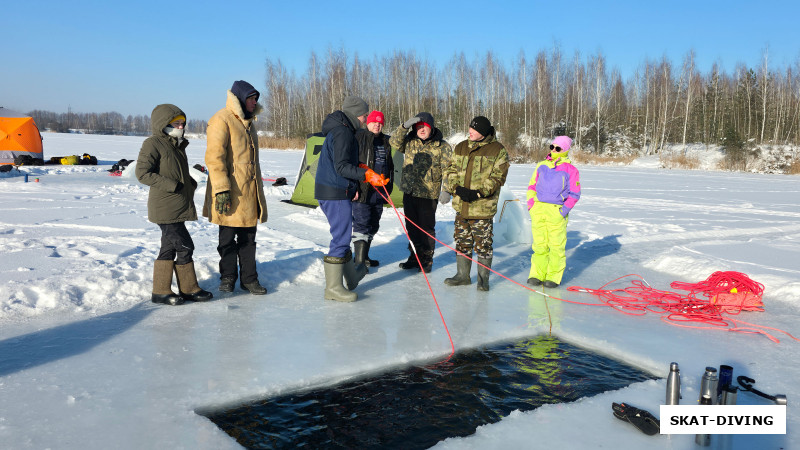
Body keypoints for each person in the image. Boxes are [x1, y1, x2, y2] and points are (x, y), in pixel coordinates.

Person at [136, 104, 213, 305]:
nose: (181, 126)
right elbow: (142, 173)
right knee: (186, 246)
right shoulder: (153, 143)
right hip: (164, 206)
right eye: (176, 123)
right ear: (164, 124)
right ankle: (189, 289)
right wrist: (173, 185)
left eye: (182, 123)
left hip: (176, 205)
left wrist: (189, 183)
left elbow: (175, 172)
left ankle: (160, 291)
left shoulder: (176, 145)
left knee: (168, 249)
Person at [315, 96, 389, 302]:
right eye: (365, 115)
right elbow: (341, 167)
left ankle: (352, 276)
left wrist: (361, 173)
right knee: (340, 238)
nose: (366, 119)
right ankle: (333, 288)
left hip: (338, 189)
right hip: (333, 191)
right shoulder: (343, 132)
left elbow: (346, 162)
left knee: (344, 235)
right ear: (356, 113)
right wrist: (365, 175)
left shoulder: (344, 129)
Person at [203, 80, 269, 295]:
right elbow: (214, 157)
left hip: (249, 192)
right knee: (228, 239)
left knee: (249, 239)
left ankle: (249, 279)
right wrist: (221, 189)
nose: (254, 102)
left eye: (256, 98)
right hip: (230, 192)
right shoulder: (221, 119)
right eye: (251, 98)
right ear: (240, 98)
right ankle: (228, 277)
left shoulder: (249, 123)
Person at [441, 116, 509, 291]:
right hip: (461, 205)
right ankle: (462, 276)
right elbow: (450, 168)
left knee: (483, 244)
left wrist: (478, 193)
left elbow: (498, 177)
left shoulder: (497, 150)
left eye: (475, 130)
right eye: (470, 127)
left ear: (484, 133)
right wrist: (456, 188)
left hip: (482, 207)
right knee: (462, 241)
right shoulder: (461, 146)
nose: (470, 131)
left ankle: (482, 280)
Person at [389, 112, 452, 273]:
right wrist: (404, 126)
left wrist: (447, 190)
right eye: (418, 126)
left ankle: (426, 260)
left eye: (425, 126)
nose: (422, 129)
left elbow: (449, 171)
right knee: (411, 227)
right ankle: (414, 256)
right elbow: (393, 141)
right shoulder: (410, 141)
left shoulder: (442, 146)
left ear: (431, 127)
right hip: (409, 191)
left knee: (426, 228)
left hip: (428, 194)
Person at [526, 136, 581, 288]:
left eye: (557, 148)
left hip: (556, 212)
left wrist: (562, 211)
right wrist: (532, 205)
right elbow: (531, 186)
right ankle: (537, 274)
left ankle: (553, 276)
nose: (553, 150)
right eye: (552, 146)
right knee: (539, 245)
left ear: (565, 150)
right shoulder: (541, 166)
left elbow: (575, 194)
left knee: (556, 246)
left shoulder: (571, 170)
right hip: (538, 210)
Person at [352, 110, 394, 267]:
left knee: (373, 225)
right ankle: (359, 262)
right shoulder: (359, 137)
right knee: (361, 224)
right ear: (367, 123)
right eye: (374, 122)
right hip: (363, 190)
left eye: (380, 122)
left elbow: (389, 164)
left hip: (380, 190)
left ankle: (365, 256)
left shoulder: (385, 141)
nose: (377, 124)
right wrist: (354, 186)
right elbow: (351, 163)